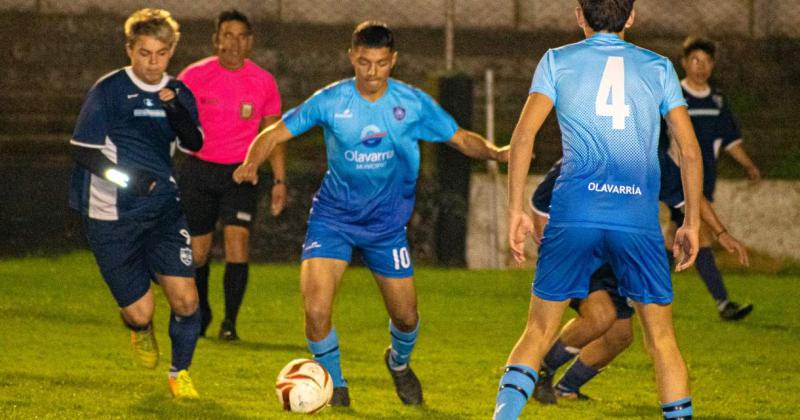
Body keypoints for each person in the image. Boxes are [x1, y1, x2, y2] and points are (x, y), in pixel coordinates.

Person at [233, 21, 508, 407]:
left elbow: (460, 138)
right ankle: (338, 386)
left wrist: (496, 153)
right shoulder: (331, 101)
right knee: (315, 311)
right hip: (333, 219)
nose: (372, 72)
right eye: (364, 62)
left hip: (386, 228)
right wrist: (250, 163)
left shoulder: (411, 104)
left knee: (407, 318)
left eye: (380, 63)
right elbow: (274, 133)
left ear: (393, 60)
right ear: (352, 58)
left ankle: (398, 363)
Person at [493, 1, 704, 419]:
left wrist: (516, 208)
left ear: (579, 15)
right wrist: (691, 222)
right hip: (636, 221)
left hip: (574, 215)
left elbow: (522, 138)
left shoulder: (557, 60)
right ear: (631, 17)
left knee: (537, 331)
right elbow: (690, 150)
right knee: (661, 340)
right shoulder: (659, 67)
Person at [529, 159, 749, 404]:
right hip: (580, 253)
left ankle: (566, 388)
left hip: (619, 257)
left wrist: (721, 232)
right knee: (600, 316)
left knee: (619, 336)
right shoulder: (583, 154)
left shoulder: (650, 158)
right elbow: (540, 204)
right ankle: (541, 370)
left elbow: (690, 196)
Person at [68, 9, 203, 398]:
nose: (152, 62)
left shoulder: (178, 91)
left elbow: (194, 143)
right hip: (111, 214)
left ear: (171, 51)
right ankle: (140, 330)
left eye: (161, 53)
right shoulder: (109, 90)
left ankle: (181, 375)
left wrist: (174, 108)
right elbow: (83, 150)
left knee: (187, 299)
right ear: (129, 49)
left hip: (163, 209)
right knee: (140, 312)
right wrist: (128, 181)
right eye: (144, 53)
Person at [178, 9, 286, 341]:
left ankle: (230, 323)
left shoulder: (263, 81)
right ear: (216, 40)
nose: (234, 43)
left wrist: (279, 180)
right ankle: (203, 310)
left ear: (250, 42)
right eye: (228, 35)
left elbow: (273, 134)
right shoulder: (193, 77)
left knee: (237, 243)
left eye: (241, 36)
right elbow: (174, 124)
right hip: (199, 170)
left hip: (242, 172)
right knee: (198, 252)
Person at [663, 36, 759, 320]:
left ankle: (632, 294)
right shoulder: (673, 95)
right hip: (677, 178)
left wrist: (748, 165)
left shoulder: (717, 101)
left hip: (705, 179)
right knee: (700, 234)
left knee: (673, 239)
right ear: (684, 63)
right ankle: (722, 302)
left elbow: (729, 140)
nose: (700, 67)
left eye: (706, 61)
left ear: (713, 65)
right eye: (695, 60)